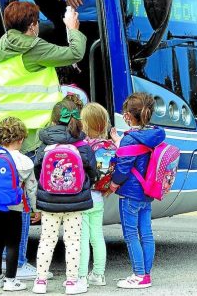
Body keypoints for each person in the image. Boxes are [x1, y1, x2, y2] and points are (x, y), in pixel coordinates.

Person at [0, 1, 87, 279]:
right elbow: (75, 52)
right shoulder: (31, 47)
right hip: (19, 136)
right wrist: (71, 28)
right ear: (33, 25)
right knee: (21, 202)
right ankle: (18, 263)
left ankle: (0, 262)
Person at [32, 100, 97, 294]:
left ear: (53, 119)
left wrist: (46, 187)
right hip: (75, 201)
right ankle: (71, 283)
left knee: (47, 240)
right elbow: (92, 171)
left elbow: (38, 170)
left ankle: (40, 282)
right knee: (73, 242)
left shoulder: (45, 144)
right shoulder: (82, 145)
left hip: (50, 200)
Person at [104, 93, 166, 289]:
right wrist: (118, 141)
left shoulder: (131, 139)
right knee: (146, 234)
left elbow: (123, 167)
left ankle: (138, 275)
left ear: (128, 116)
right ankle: (146, 274)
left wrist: (113, 184)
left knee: (131, 235)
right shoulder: (153, 134)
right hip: (147, 192)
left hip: (130, 193)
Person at [0, 117, 40, 291]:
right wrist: (36, 209)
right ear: (21, 139)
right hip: (15, 209)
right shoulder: (25, 162)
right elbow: (32, 189)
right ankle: (11, 282)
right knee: (13, 244)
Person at [77, 103, 111, 286]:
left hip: (83, 197)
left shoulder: (83, 146)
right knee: (97, 236)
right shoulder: (109, 145)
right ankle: (98, 274)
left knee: (82, 238)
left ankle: (81, 275)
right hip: (99, 197)